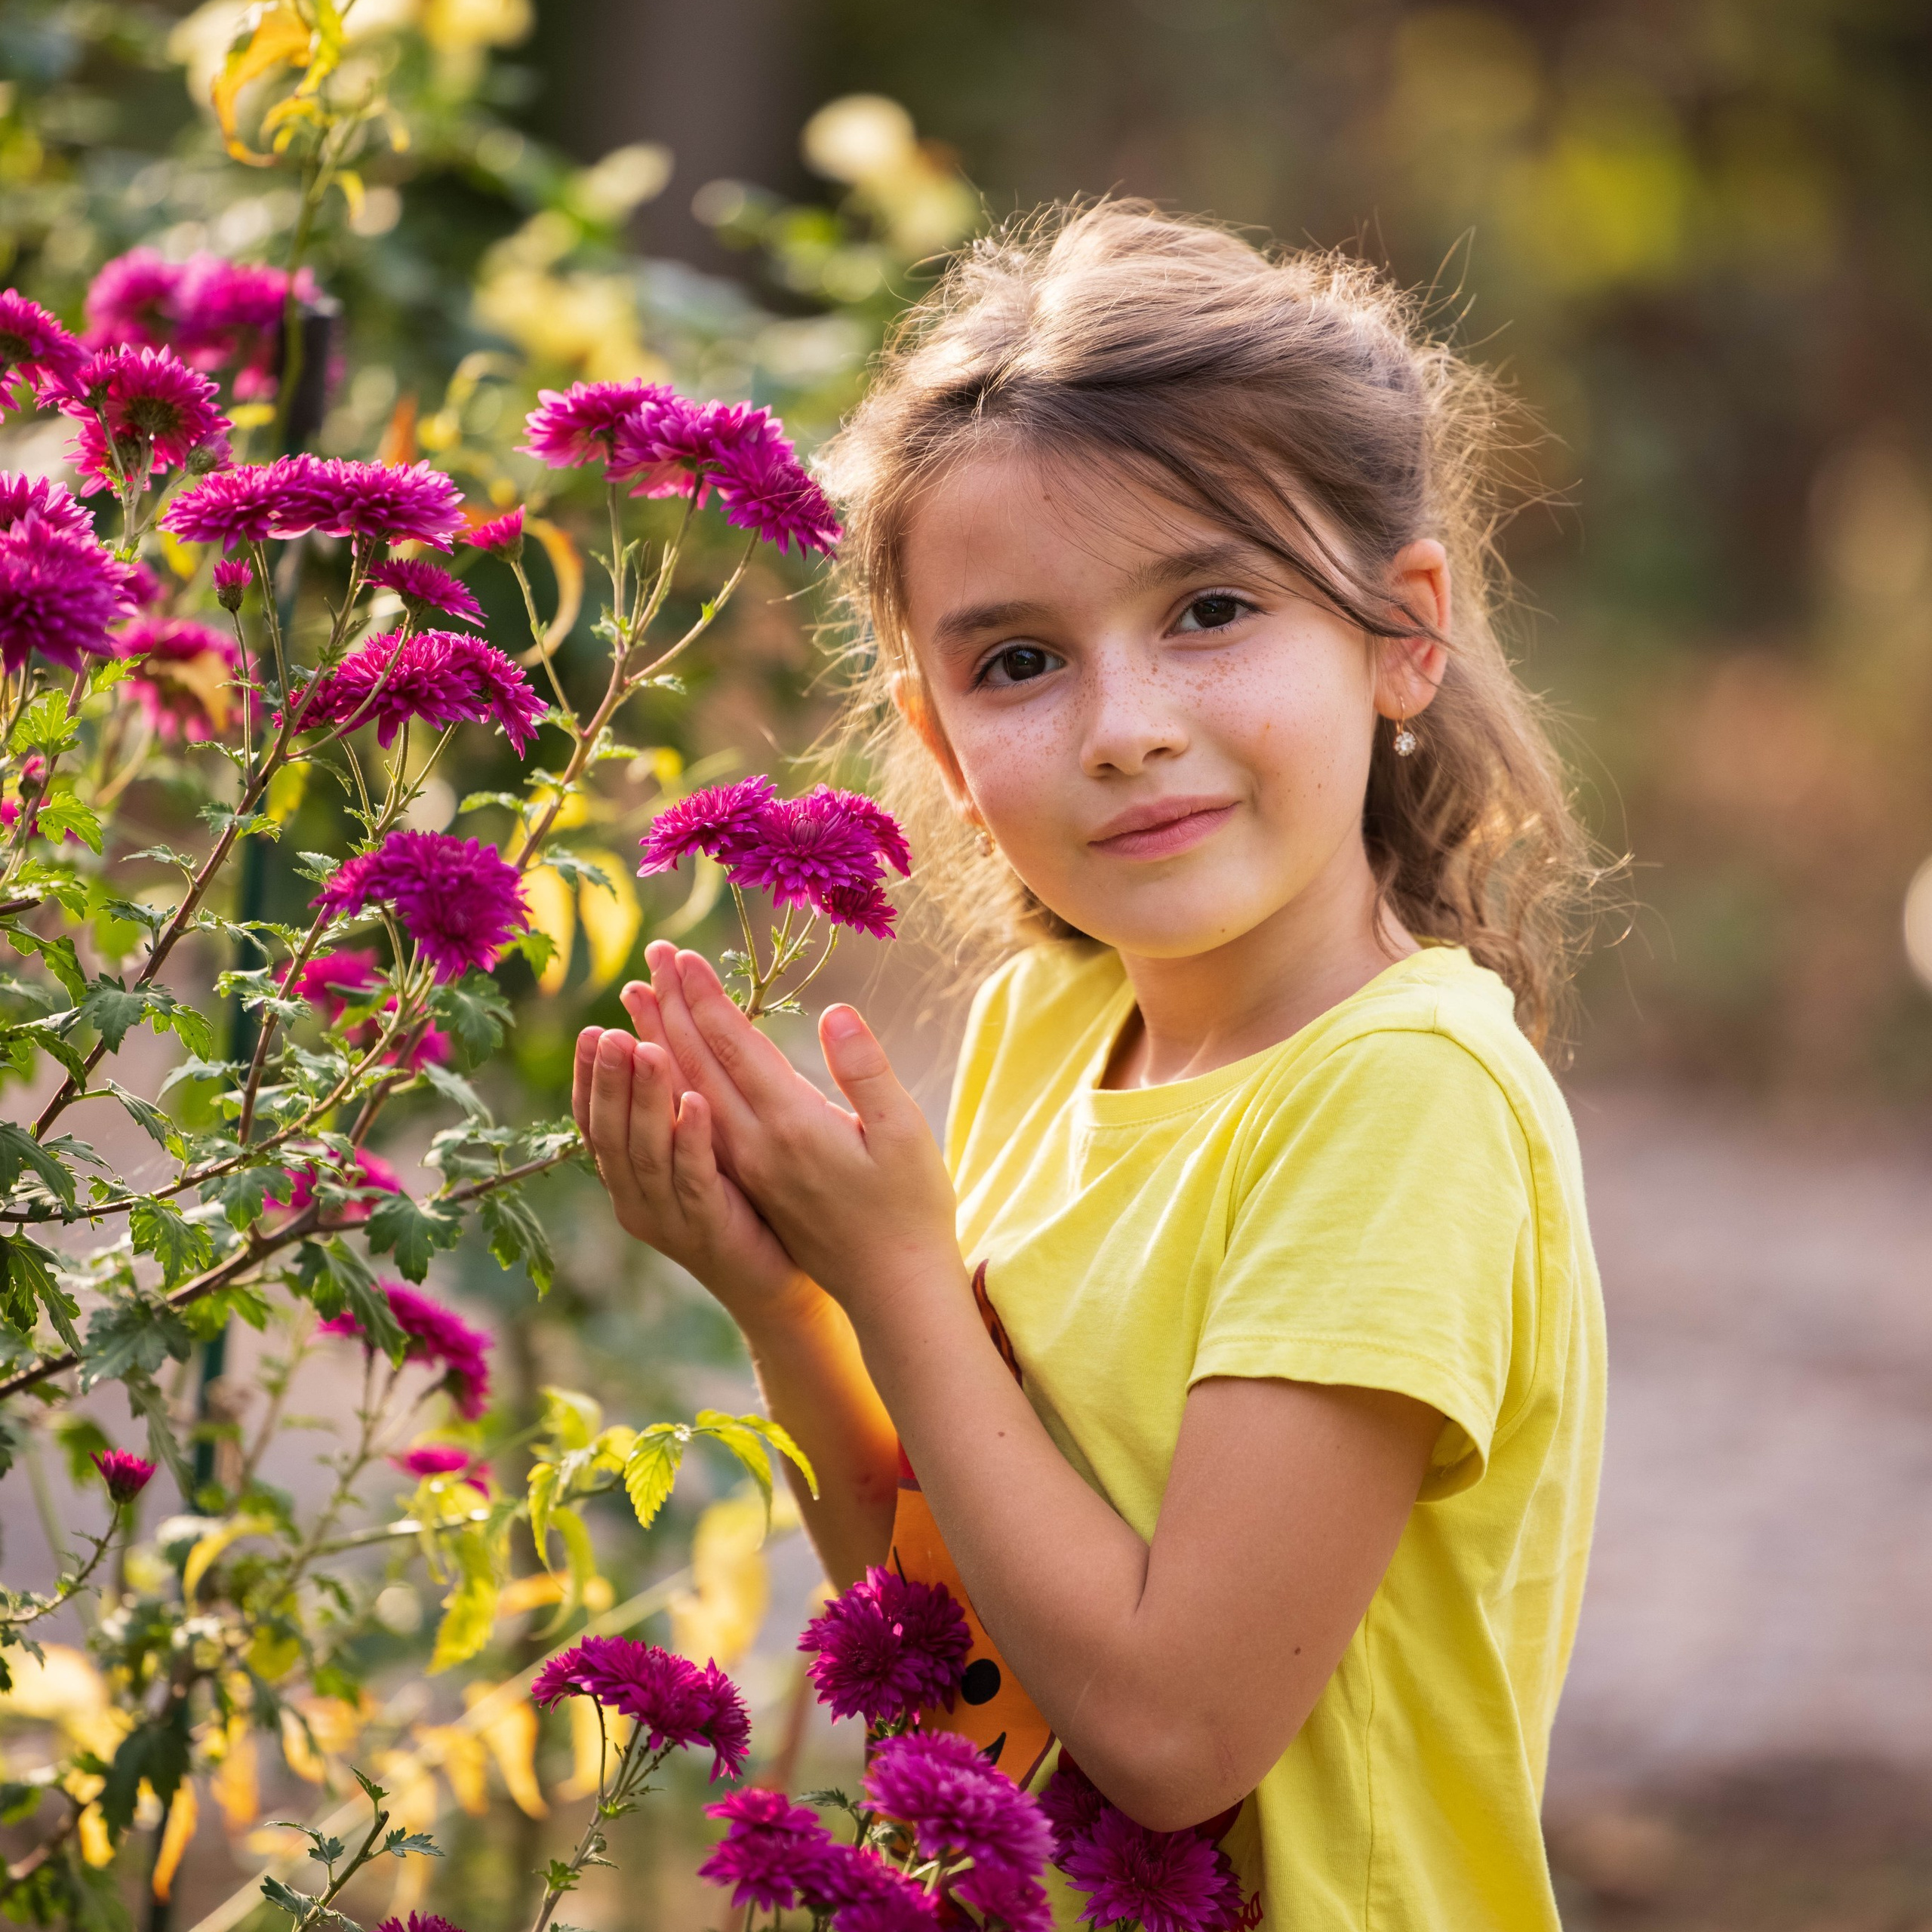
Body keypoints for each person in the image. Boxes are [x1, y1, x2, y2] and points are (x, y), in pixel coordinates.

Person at [572, 203, 1607, 1932]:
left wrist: (894, 1267)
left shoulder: (1399, 1096)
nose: (1120, 722)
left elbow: (1171, 1732)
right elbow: (959, 1653)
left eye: (1207, 606)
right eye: (1020, 661)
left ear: (1401, 631)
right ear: (940, 742)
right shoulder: (1041, 1038)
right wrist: (786, 1300)